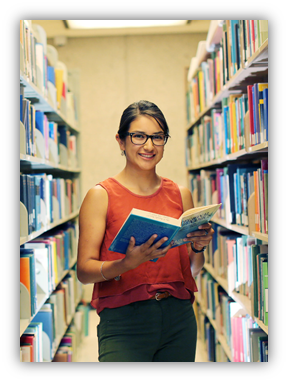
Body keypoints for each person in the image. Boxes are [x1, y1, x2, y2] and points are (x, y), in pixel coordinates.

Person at [77, 100, 214, 362]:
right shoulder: (100, 196)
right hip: (123, 321)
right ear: (121, 141)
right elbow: (84, 272)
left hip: (179, 319)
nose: (149, 146)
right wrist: (127, 263)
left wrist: (197, 247)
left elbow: (193, 270)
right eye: (138, 136)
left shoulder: (180, 194)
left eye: (158, 137)